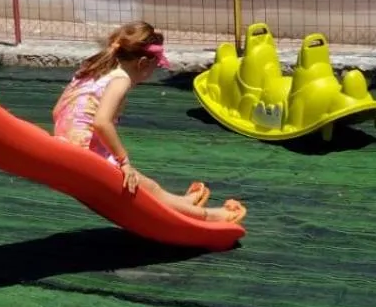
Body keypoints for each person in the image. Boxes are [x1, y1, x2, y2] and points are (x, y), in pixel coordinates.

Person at [53, 21, 246, 223]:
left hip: (67, 144)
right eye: (155, 67)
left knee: (150, 188)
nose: (153, 72)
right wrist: (123, 161)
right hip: (87, 155)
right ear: (143, 63)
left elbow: (58, 109)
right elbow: (102, 122)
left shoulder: (93, 70)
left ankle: (184, 203)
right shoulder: (120, 79)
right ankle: (211, 216)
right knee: (150, 190)